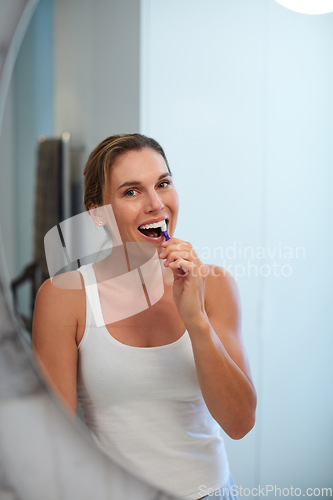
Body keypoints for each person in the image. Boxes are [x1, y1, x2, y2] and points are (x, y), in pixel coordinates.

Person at [32, 133, 256, 499]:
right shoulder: (65, 297)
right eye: (131, 192)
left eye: (163, 184)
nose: (156, 204)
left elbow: (240, 423)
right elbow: (53, 440)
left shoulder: (214, 285)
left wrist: (195, 319)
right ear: (97, 213)